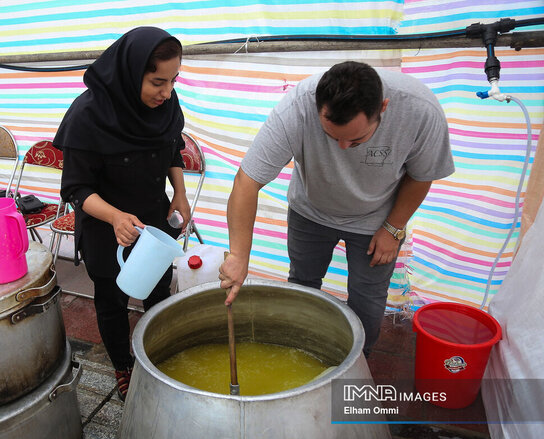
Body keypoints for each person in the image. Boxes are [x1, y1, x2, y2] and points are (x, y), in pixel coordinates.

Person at [219, 61, 455, 356]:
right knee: (303, 284)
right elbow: (246, 181)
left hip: (378, 219)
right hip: (311, 211)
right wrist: (239, 256)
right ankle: (298, 353)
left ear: (383, 107)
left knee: (367, 300)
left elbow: (422, 175)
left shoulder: (419, 110)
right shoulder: (297, 107)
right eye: (332, 136)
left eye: (356, 139)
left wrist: (393, 228)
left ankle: (359, 361)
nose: (342, 148)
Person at [53, 26, 190, 400]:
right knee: (112, 298)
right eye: (157, 81)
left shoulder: (166, 105)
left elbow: (171, 145)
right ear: (131, 72)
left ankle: (158, 355)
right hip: (104, 224)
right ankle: (123, 364)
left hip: (152, 218)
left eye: (174, 80)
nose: (167, 92)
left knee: (159, 290)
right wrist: (114, 217)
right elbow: (76, 189)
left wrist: (178, 192)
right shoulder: (89, 114)